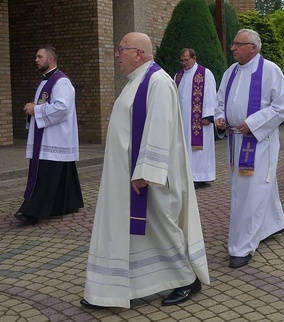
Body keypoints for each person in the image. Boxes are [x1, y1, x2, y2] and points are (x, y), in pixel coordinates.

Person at [81, 32, 209, 309]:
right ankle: (123, 286)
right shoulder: (136, 81)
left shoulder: (158, 81)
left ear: (139, 53)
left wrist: (145, 170)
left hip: (149, 177)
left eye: (122, 50)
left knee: (161, 226)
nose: (117, 55)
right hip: (127, 176)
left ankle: (187, 280)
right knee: (137, 232)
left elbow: (160, 127)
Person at [215, 29, 284, 268]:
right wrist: (220, 117)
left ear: (253, 48)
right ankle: (273, 224)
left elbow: (282, 107)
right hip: (235, 140)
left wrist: (253, 123)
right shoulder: (230, 72)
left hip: (259, 142)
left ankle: (242, 246)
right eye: (233, 43)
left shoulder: (270, 71)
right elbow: (219, 102)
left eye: (238, 44)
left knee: (251, 192)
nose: (233, 48)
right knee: (247, 189)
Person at [14, 46, 83, 225]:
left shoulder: (61, 82)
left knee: (45, 176)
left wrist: (35, 109)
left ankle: (32, 211)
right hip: (48, 137)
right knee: (60, 176)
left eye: (39, 57)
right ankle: (66, 204)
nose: (36, 60)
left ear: (50, 59)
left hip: (54, 138)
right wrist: (33, 108)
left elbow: (62, 107)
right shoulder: (46, 81)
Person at [174, 48, 217, 188]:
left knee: (198, 149)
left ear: (194, 58)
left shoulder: (205, 74)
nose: (184, 63)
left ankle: (201, 176)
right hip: (183, 119)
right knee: (185, 147)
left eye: (186, 60)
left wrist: (208, 115)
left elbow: (210, 94)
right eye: (182, 60)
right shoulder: (178, 76)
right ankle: (188, 176)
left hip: (199, 120)